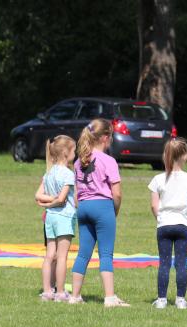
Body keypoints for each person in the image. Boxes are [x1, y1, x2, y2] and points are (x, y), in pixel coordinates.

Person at [69, 119, 129, 307]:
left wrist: (81, 207)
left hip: (83, 208)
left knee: (83, 253)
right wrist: (114, 210)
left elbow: (77, 191)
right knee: (106, 254)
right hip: (102, 207)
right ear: (105, 138)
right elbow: (117, 193)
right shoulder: (108, 161)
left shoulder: (78, 162)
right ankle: (110, 297)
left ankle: (75, 296)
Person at [148, 138, 187, 309]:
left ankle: (161, 300)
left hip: (164, 225)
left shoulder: (158, 179)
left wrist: (161, 218)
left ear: (166, 156)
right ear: (185, 156)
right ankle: (180, 300)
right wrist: (185, 216)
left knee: (164, 263)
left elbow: (154, 205)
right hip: (183, 225)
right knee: (181, 263)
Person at [34, 135, 77, 302]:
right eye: (73, 151)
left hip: (50, 218)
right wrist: (53, 202)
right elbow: (62, 199)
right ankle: (60, 292)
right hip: (64, 217)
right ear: (66, 153)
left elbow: (38, 195)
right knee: (62, 256)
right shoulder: (68, 174)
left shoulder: (49, 173)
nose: (75, 154)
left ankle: (47, 291)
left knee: (49, 255)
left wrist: (47, 203)